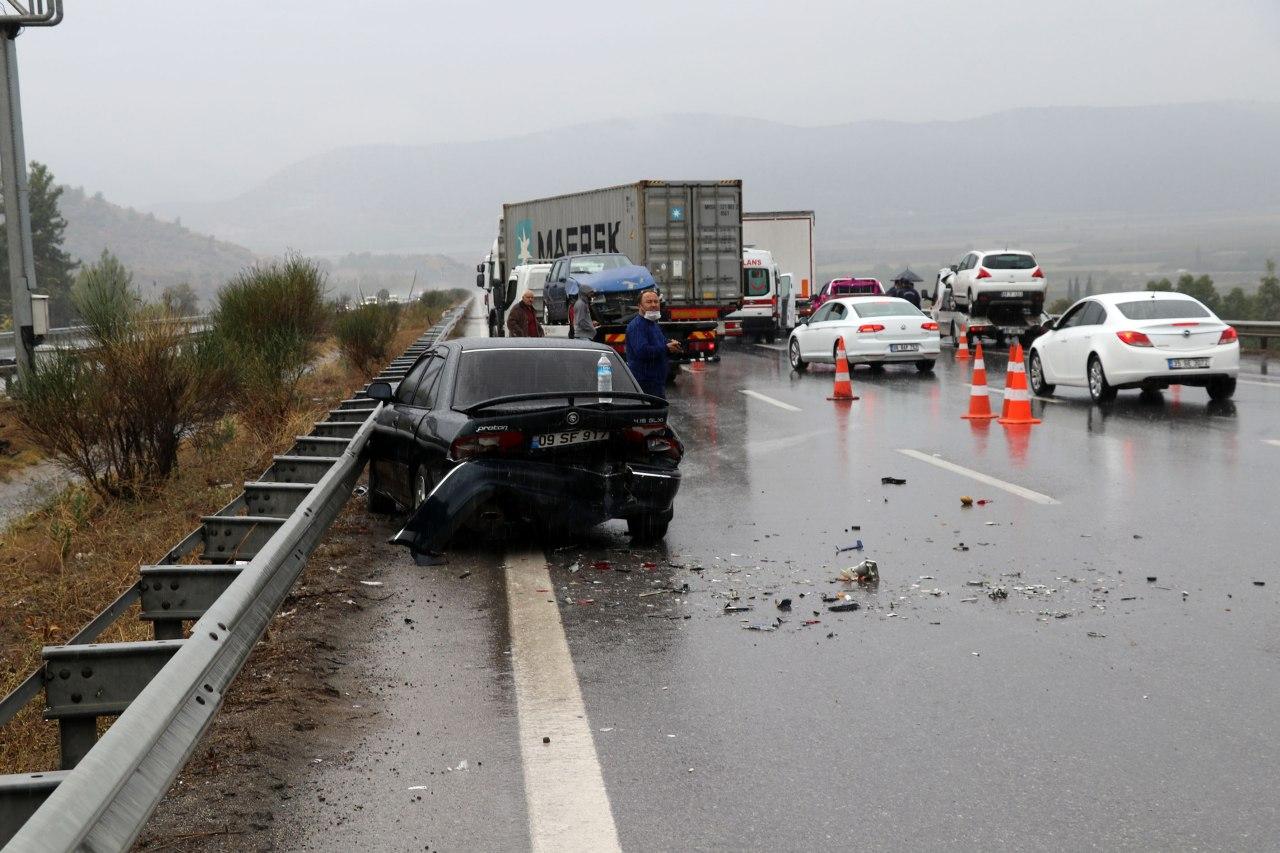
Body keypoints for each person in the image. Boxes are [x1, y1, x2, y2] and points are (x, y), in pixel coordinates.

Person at [625, 290, 680, 399]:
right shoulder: (637, 326)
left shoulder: (653, 323)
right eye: (649, 302)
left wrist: (671, 345)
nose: (654, 305)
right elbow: (642, 352)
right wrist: (666, 348)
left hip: (656, 382)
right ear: (639, 306)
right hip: (645, 383)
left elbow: (660, 344)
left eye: (656, 301)